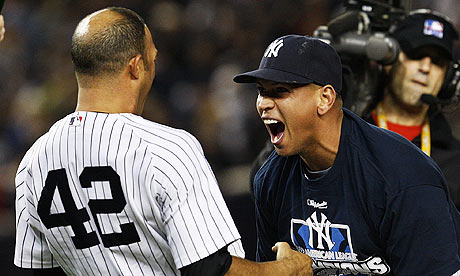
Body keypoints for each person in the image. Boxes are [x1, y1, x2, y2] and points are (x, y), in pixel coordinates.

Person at [14, 7, 313, 276]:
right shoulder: (166, 148)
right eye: (152, 59)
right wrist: (285, 269)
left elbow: (36, 269)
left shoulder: (32, 162)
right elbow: (210, 270)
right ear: (135, 66)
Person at [233, 34, 460, 275]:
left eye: (279, 91)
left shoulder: (403, 176)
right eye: (261, 91)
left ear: (325, 98)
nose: (264, 103)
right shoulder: (270, 179)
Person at [363, 9, 460, 210]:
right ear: (389, 61)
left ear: (448, 79)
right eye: (416, 55)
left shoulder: (456, 160)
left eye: (437, 62)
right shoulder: (347, 136)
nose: (425, 68)